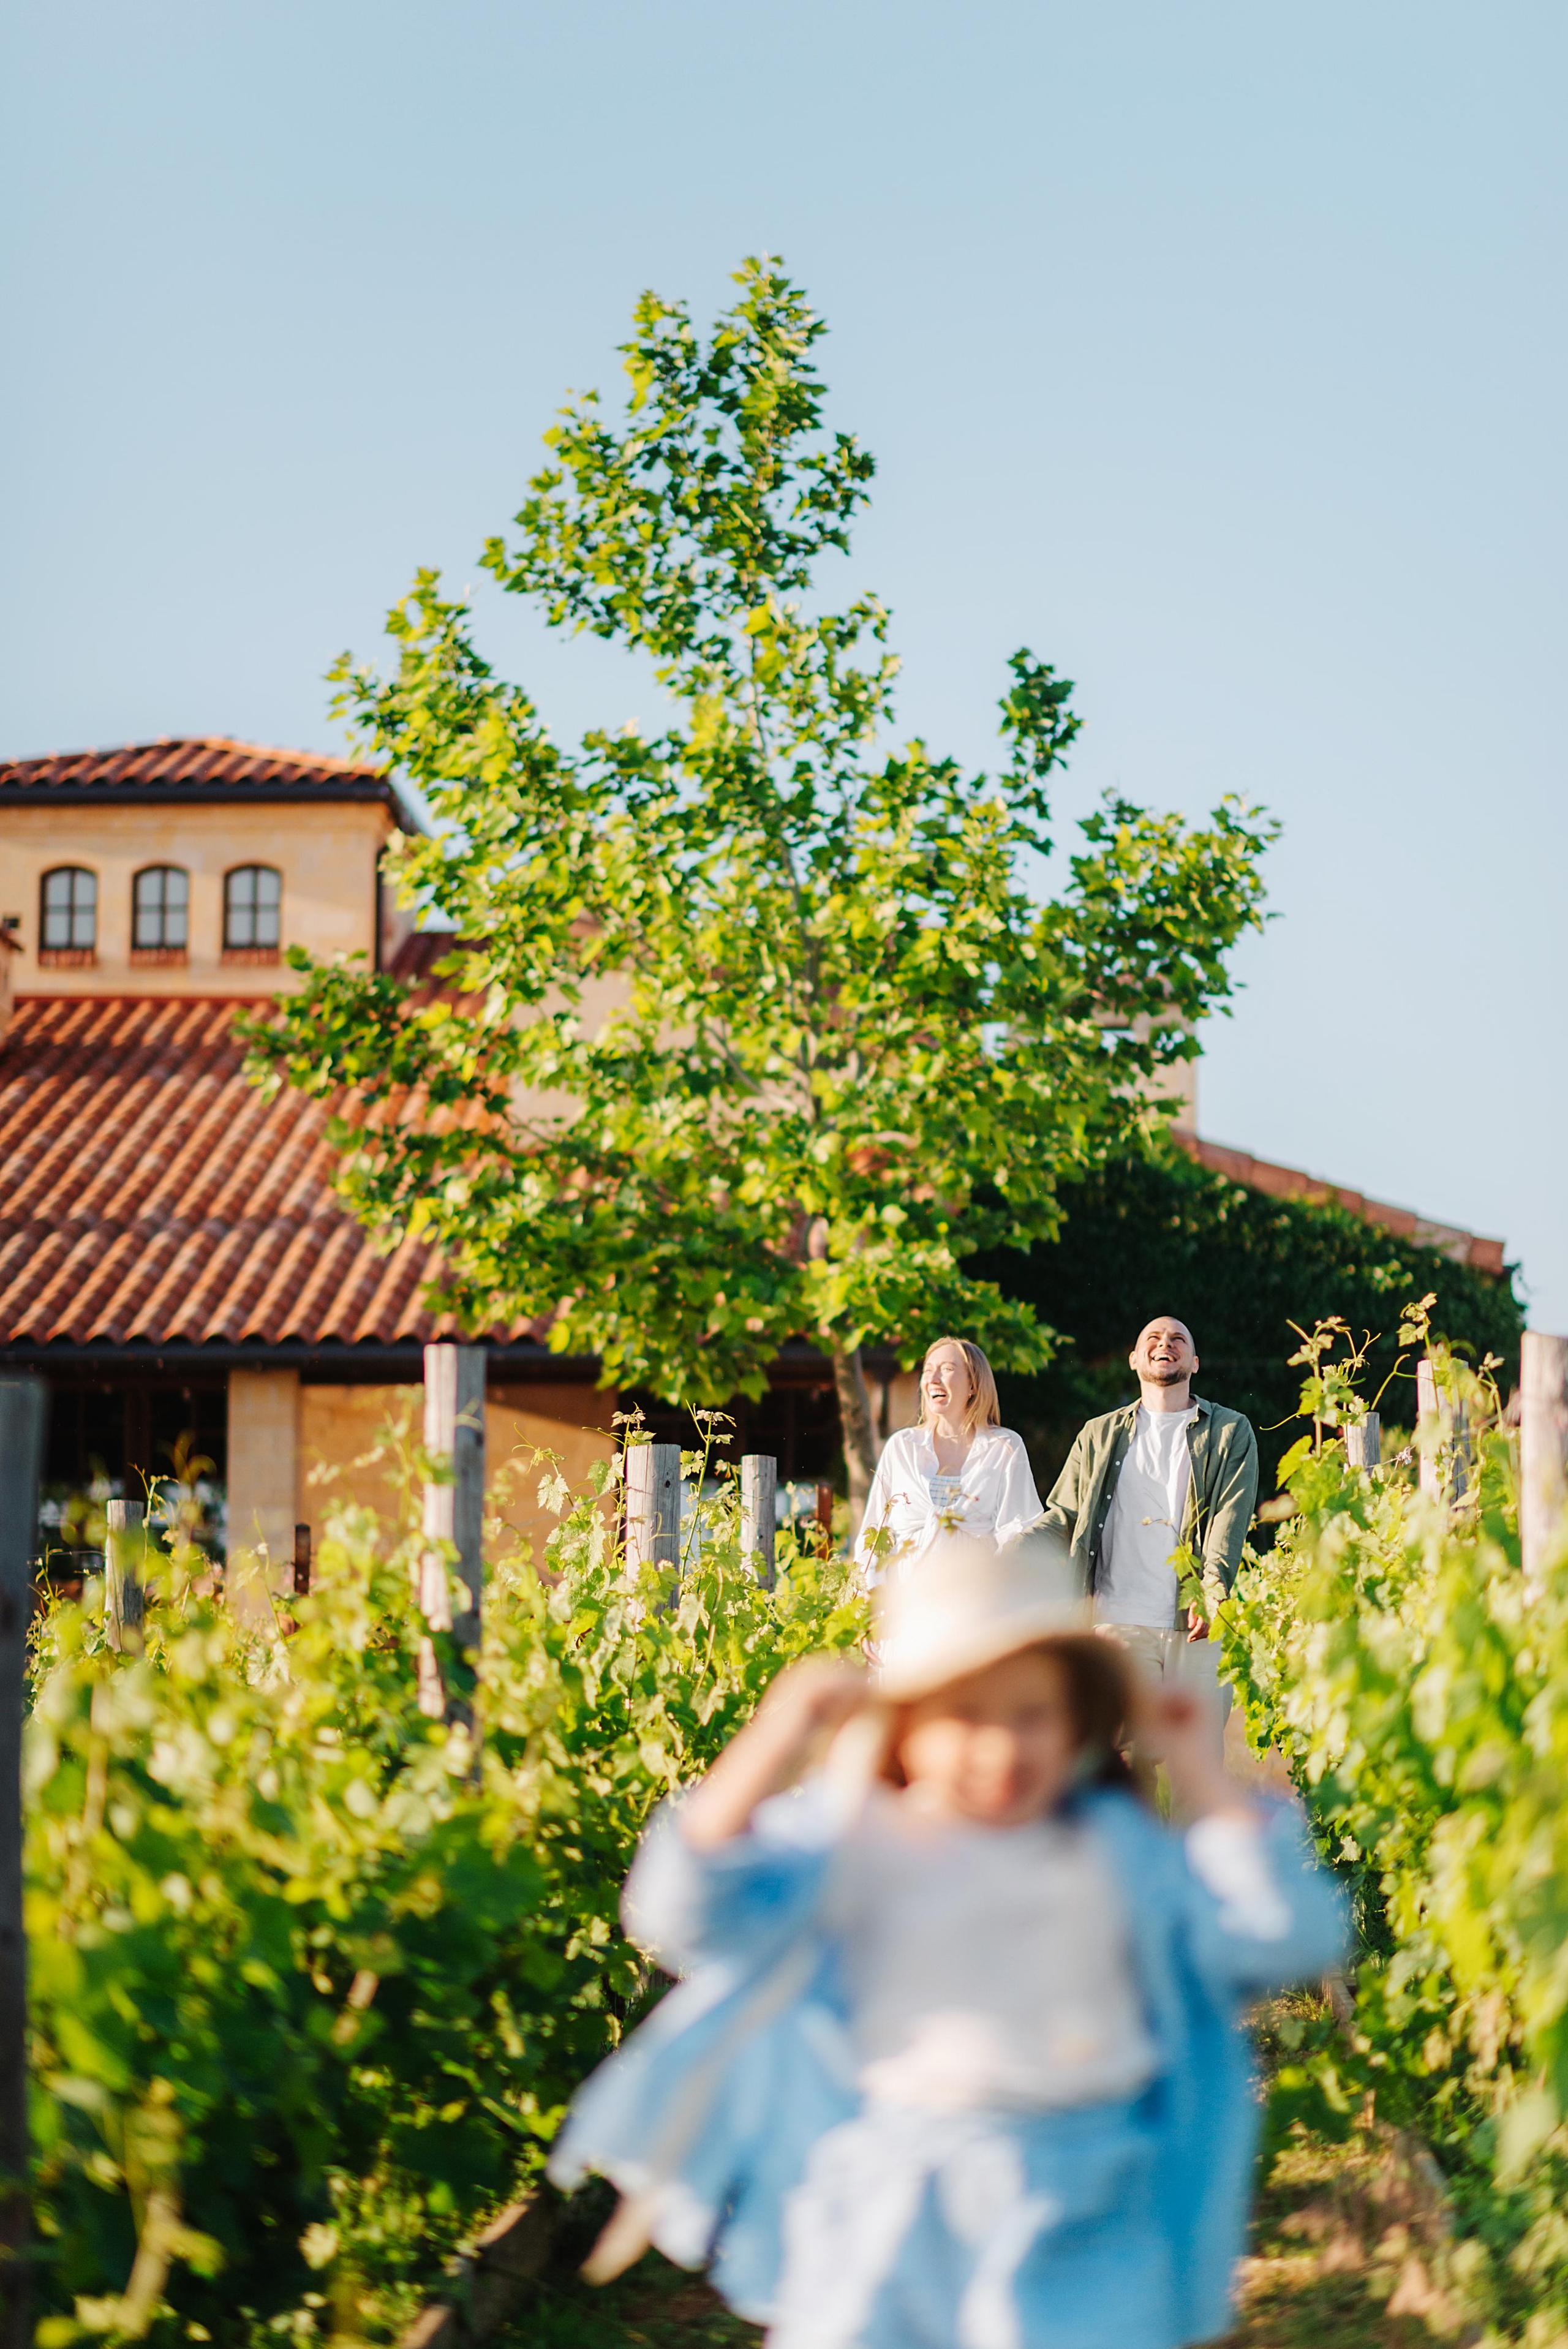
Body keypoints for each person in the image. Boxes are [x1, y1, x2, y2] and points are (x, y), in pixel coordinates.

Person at [550, 1535, 1344, 2349]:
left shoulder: (1111, 1845)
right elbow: (680, 1909)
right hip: (894, 2192)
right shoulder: (858, 1837)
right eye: (965, 1714)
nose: (1002, 1746)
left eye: (1032, 1714)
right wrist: (777, 1736)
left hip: (1085, 2191)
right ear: (904, 1726)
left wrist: (1196, 1762)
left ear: (1077, 1722)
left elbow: (1284, 1935)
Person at [1041, 1317, 1259, 1718]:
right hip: (1116, 1623)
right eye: (1154, 1338)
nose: (1166, 1343)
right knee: (1124, 1765)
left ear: (1195, 1362)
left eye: (1179, 1339)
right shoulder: (1098, 1434)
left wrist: (1213, 1590)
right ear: (1134, 1359)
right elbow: (1064, 1515)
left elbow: (1229, 1520)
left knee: (1196, 1762)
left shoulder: (1230, 1431)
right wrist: (1008, 1551)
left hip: (1196, 1625)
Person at [853, 1335, 1044, 1580]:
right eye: (929, 1370)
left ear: (973, 1385)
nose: (933, 1379)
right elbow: (875, 1532)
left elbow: (1019, 1531)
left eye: (947, 1370)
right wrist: (872, 1594)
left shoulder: (1004, 1448)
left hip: (975, 1602)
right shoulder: (902, 1447)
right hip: (903, 1603)